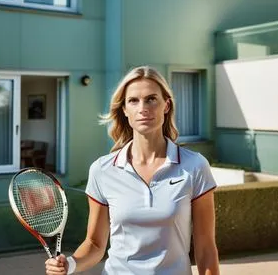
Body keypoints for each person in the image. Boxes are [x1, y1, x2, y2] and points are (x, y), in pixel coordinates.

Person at [45, 66, 220, 275]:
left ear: (166, 105)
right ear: (125, 110)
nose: (143, 108)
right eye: (133, 101)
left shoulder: (194, 166)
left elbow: (205, 248)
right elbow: (95, 244)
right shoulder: (102, 170)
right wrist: (70, 264)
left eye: (151, 99)